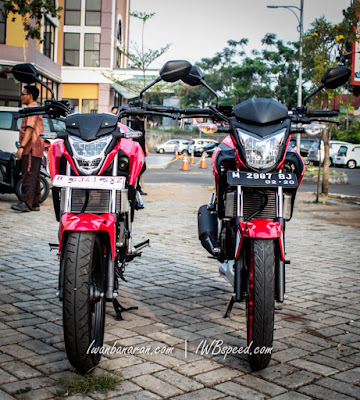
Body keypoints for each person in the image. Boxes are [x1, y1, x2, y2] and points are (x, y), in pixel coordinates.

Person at [11, 85, 44, 212]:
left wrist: (22, 147)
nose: (21, 96)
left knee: (28, 175)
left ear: (30, 96)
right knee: (34, 176)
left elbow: (29, 129)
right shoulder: (35, 108)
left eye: (23, 94)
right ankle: (35, 203)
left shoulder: (32, 109)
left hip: (31, 147)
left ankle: (26, 203)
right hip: (37, 148)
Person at [130, 115, 149, 195]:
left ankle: (137, 186)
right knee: (140, 168)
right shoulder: (134, 122)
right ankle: (135, 186)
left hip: (141, 148)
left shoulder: (141, 123)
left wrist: (145, 148)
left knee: (141, 167)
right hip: (137, 149)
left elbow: (142, 138)